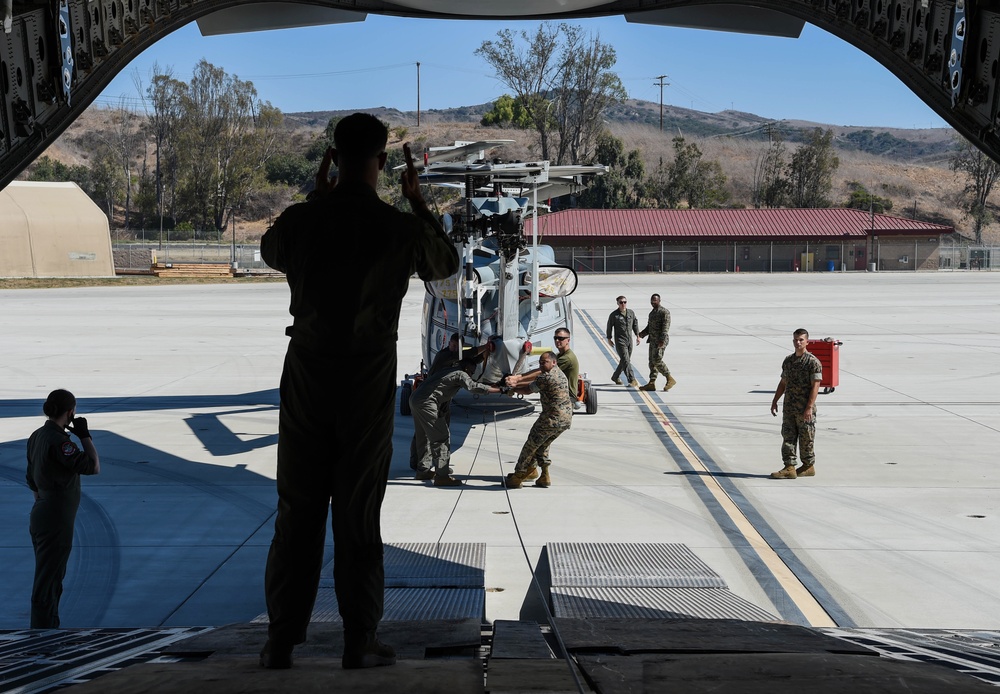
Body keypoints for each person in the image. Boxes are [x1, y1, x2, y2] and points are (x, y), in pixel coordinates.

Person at [259, 113, 459, 670]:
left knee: (297, 508)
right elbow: (446, 265)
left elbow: (270, 249)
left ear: (332, 158)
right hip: (366, 378)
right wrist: (417, 202)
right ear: (385, 164)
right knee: (357, 510)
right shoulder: (398, 228)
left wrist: (314, 198)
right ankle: (359, 638)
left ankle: (280, 639)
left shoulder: (304, 221)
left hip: (307, 374)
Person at [26, 389, 100, 628]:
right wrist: (85, 436)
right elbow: (93, 466)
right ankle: (43, 633)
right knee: (49, 580)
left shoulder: (37, 435)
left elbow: (32, 481)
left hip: (42, 513)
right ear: (70, 412)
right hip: (56, 518)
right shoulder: (60, 441)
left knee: (51, 576)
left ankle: (45, 626)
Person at [410, 356, 502, 486]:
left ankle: (423, 470)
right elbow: (473, 387)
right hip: (426, 402)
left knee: (423, 435)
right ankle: (442, 475)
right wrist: (500, 390)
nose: (471, 375)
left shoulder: (449, 369)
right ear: (465, 368)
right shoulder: (460, 374)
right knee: (441, 437)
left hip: (416, 399)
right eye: (471, 371)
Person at [504, 352, 573, 489]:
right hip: (565, 419)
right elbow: (534, 379)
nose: (542, 365)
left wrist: (511, 388)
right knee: (543, 445)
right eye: (540, 362)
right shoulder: (559, 373)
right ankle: (543, 475)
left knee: (530, 445)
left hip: (551, 418)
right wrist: (516, 381)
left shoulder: (547, 377)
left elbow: (528, 389)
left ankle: (518, 477)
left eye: (545, 362)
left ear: (554, 362)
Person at [769, 328, 822, 479]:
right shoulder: (788, 361)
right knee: (788, 437)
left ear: (807, 341)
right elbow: (783, 382)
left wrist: (809, 408)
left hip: (805, 408)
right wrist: (775, 401)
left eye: (801, 340)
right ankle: (789, 467)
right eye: (795, 340)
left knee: (806, 438)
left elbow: (816, 386)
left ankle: (808, 466)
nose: (798, 343)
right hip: (789, 408)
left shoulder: (813, 362)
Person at [506, 328, 580, 406]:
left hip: (565, 398)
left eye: (561, 338)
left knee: (535, 385)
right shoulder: (559, 355)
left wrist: (517, 379)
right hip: (558, 394)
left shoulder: (567, 358)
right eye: (555, 338)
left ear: (568, 340)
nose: (557, 340)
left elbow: (542, 372)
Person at [638, 293, 676, 392]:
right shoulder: (652, 313)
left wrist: (662, 340)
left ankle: (669, 378)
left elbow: (665, 327)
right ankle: (651, 383)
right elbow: (649, 327)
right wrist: (642, 334)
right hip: (653, 340)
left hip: (660, 340)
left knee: (657, 360)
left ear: (659, 301)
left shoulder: (664, 312)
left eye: (655, 300)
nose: (653, 302)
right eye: (652, 301)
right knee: (651, 361)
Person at [606, 295, 640, 387]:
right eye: (621, 302)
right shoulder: (614, 315)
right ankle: (632, 379)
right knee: (626, 360)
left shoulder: (630, 313)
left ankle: (615, 376)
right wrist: (609, 339)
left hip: (630, 340)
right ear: (617, 303)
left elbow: (635, 324)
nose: (623, 304)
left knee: (625, 360)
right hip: (620, 341)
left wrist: (638, 335)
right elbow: (609, 327)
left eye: (625, 302)